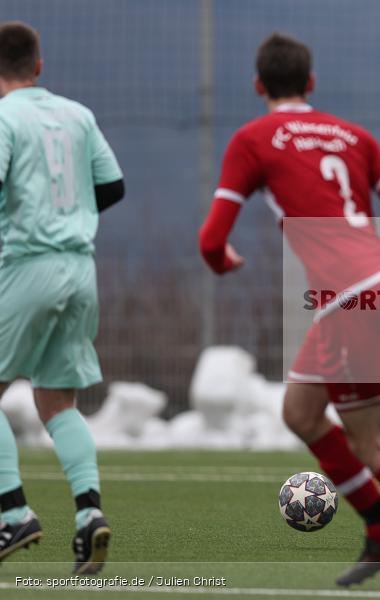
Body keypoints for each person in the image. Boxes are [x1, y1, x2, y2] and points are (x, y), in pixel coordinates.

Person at [198, 33, 380, 592]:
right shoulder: (351, 135)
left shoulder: (253, 139)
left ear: (258, 86)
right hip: (367, 287)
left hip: (348, 296)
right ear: (311, 84)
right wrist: (378, 260)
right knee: (302, 413)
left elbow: (212, 239)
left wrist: (221, 259)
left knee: (374, 442)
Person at [0, 21, 125, 573]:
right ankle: (88, 516)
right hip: (80, 268)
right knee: (57, 402)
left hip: (29, 266)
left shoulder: (5, 117)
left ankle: (13, 513)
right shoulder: (78, 114)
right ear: (39, 66)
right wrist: (68, 214)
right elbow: (113, 186)